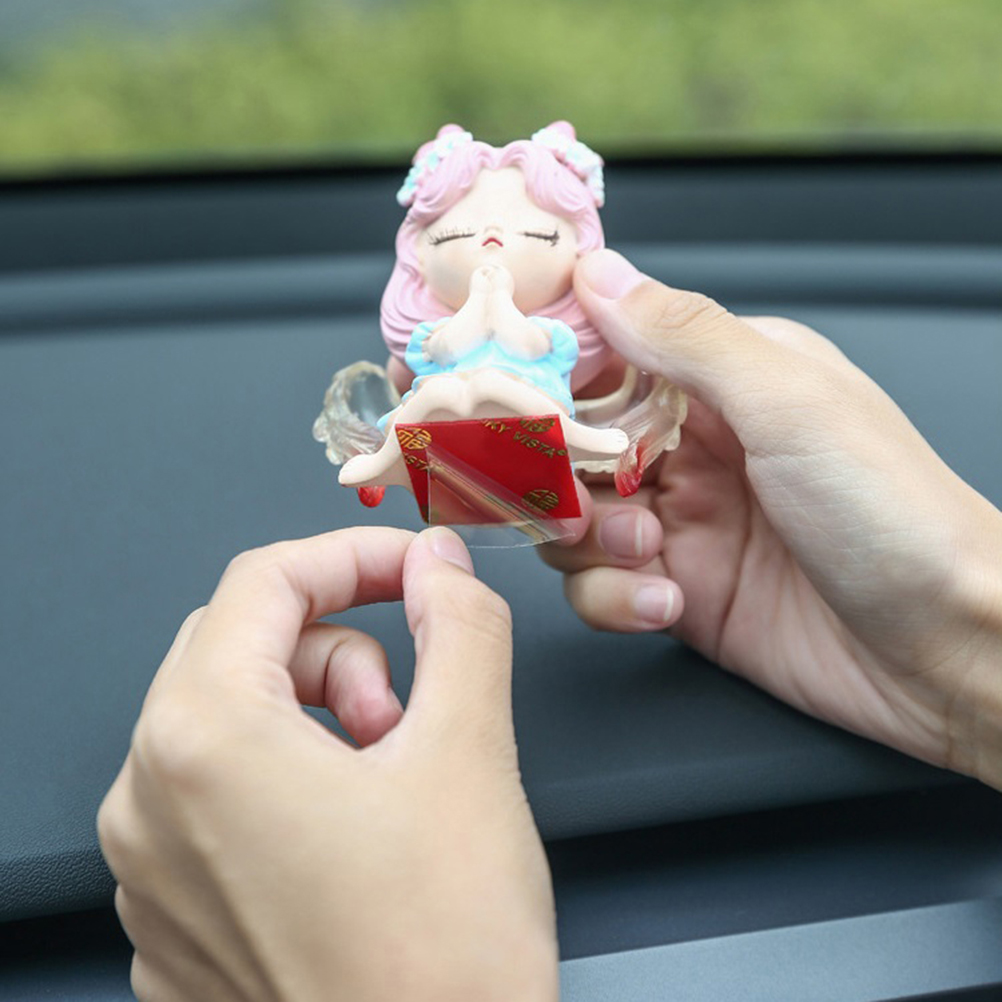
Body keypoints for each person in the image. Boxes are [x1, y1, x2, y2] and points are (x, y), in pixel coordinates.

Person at [98, 251, 1002, 1001]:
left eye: (530, 235)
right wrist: (964, 658)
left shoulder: (544, 341)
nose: (493, 252)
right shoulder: (444, 339)